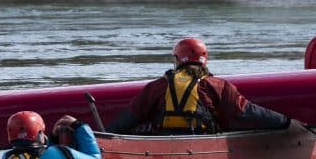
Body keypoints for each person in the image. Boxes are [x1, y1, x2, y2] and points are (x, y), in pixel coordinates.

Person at [106, 37, 292, 134]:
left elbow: (129, 118)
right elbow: (246, 111)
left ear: (177, 60)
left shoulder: (158, 86)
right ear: (204, 60)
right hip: (202, 140)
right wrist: (286, 122)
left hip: (163, 140)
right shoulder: (217, 85)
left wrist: (105, 135)